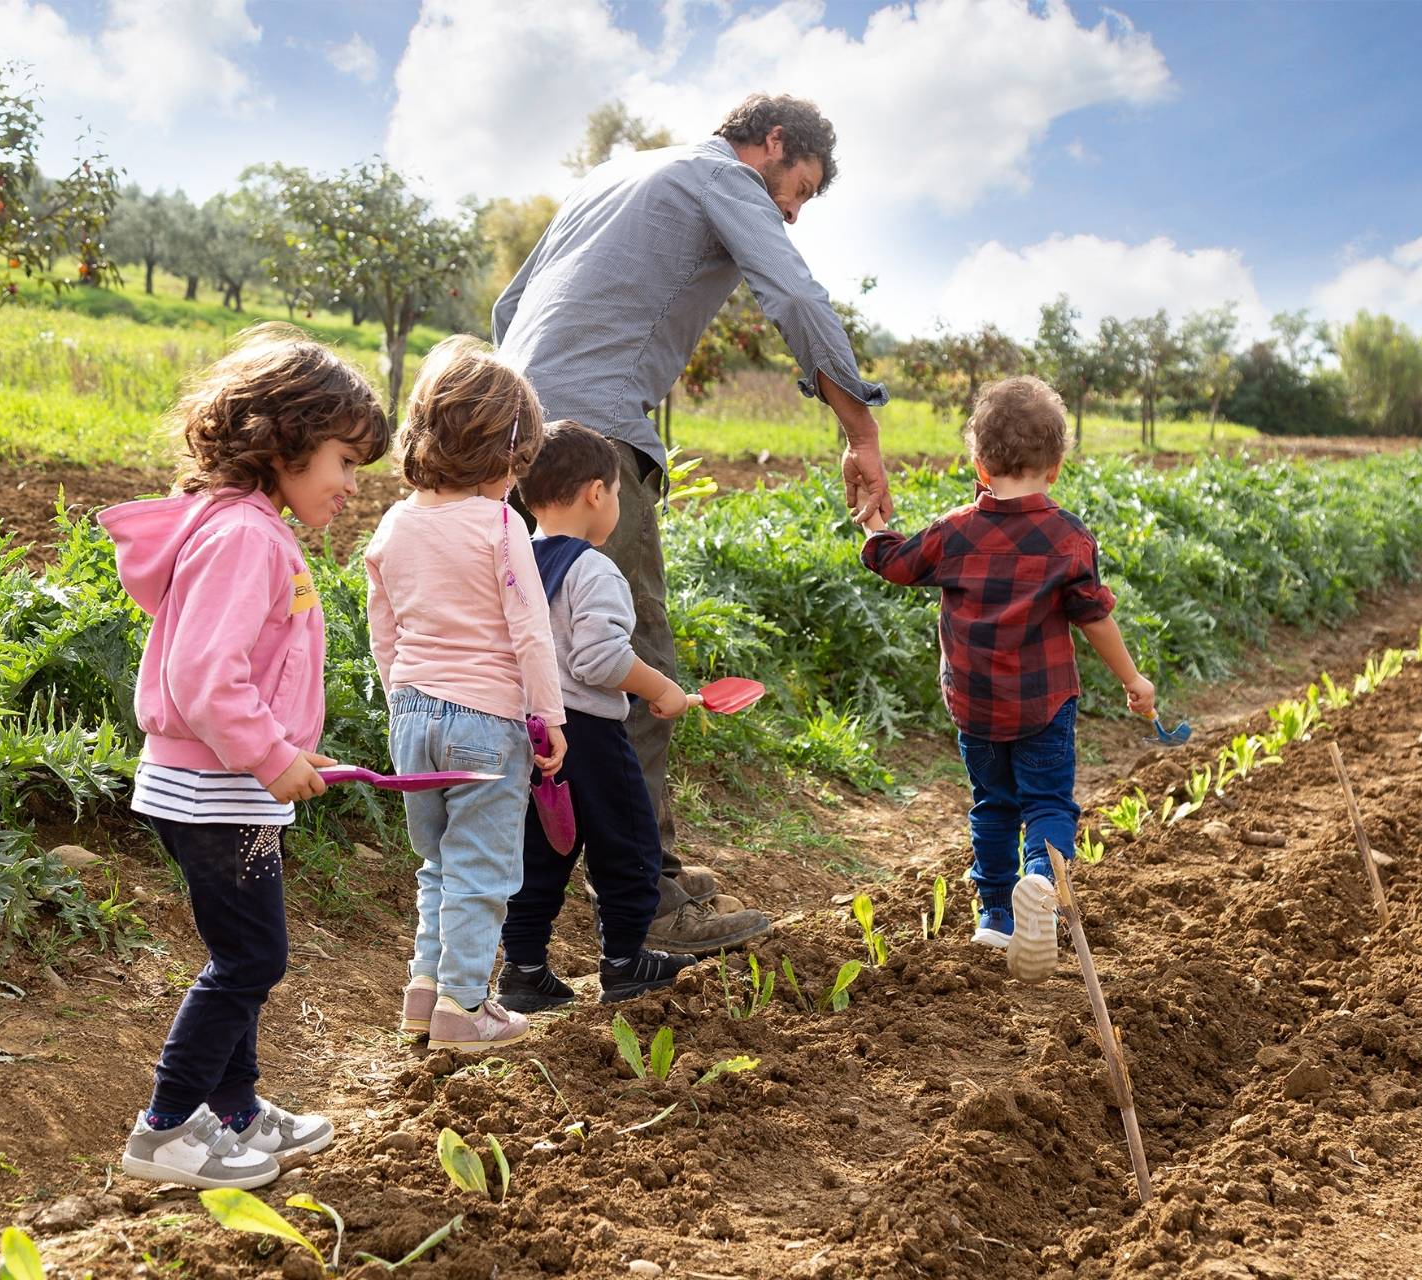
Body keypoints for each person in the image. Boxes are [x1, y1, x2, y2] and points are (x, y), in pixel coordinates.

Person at [494, 92, 892, 954]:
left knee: (545, 658)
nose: (793, 209)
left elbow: (510, 308)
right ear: (774, 143)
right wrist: (859, 427)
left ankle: (607, 870)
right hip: (592, 438)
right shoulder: (723, 178)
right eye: (803, 188)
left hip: (513, 429)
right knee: (627, 658)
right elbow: (795, 294)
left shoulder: (615, 174)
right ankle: (651, 902)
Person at [103, 323, 389, 1190]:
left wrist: (279, 752)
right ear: (287, 442)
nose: (350, 486)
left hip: (223, 786)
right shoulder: (245, 537)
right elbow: (203, 672)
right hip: (216, 789)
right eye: (344, 461)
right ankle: (163, 1130)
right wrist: (269, 755)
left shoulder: (254, 529)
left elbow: (248, 666)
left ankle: (234, 1112)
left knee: (245, 953)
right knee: (252, 960)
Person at [858, 376, 1157, 984]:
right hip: (1044, 705)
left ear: (979, 465)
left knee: (992, 805)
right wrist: (1134, 681)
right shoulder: (1068, 537)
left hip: (975, 706)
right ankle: (1042, 881)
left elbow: (894, 563)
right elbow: (1094, 618)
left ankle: (995, 914)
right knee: (1048, 804)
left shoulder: (953, 531)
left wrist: (873, 527)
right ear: (1056, 467)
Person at [363, 336, 569, 1053]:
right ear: (504, 455)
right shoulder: (501, 525)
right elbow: (531, 632)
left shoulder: (395, 523)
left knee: (439, 865)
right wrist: (549, 717)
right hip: (486, 723)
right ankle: (465, 1009)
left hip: (412, 717)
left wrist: (403, 700)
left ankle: (424, 996)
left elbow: (382, 624)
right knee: (481, 871)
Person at [496, 420, 705, 1012]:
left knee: (539, 854)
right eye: (615, 493)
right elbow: (601, 658)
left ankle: (523, 971)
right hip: (588, 733)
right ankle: (625, 960)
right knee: (629, 843)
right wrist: (659, 686)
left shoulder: (514, 563)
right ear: (596, 493)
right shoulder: (594, 569)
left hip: (531, 735)